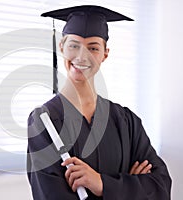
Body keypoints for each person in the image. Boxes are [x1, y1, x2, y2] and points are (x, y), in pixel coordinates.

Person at [26, 5, 171, 200]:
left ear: (105, 54)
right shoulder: (44, 121)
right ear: (61, 47)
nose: (81, 56)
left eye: (93, 48)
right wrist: (128, 188)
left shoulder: (126, 121)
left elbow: (160, 187)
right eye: (74, 45)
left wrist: (101, 183)